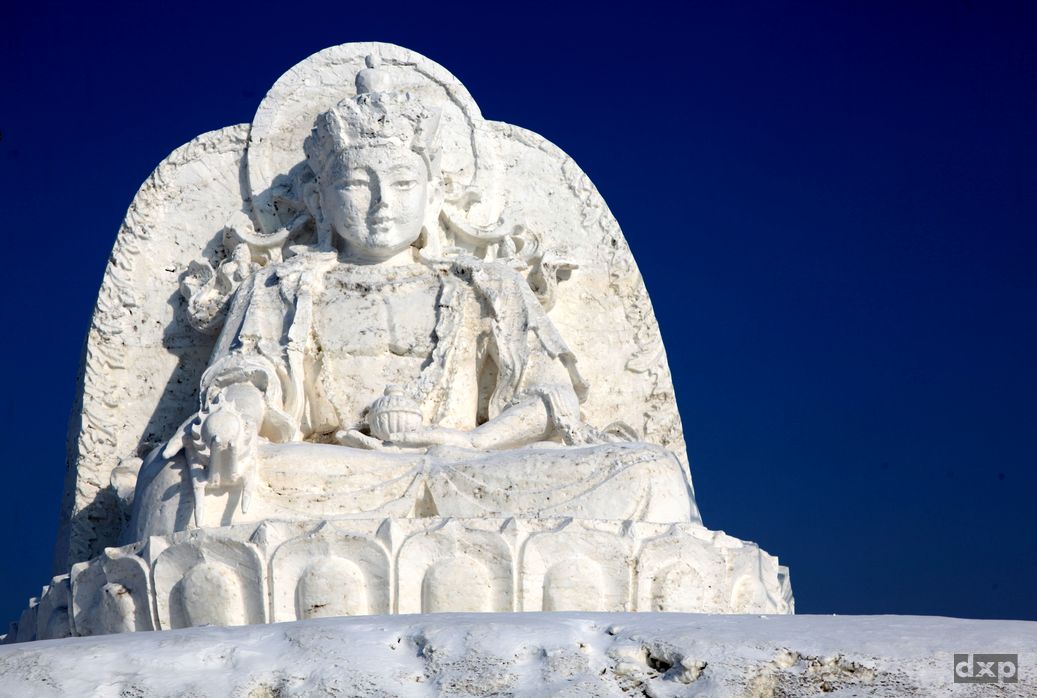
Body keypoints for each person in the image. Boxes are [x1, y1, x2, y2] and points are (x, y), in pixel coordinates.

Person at [126, 60, 698, 542]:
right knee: (176, 484)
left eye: (402, 183)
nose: (381, 204)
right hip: (337, 475)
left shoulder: (485, 284)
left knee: (648, 475)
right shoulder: (279, 286)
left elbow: (550, 399)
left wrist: (468, 441)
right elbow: (246, 378)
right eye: (357, 184)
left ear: (434, 195)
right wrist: (234, 420)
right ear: (318, 200)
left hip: (470, 470)